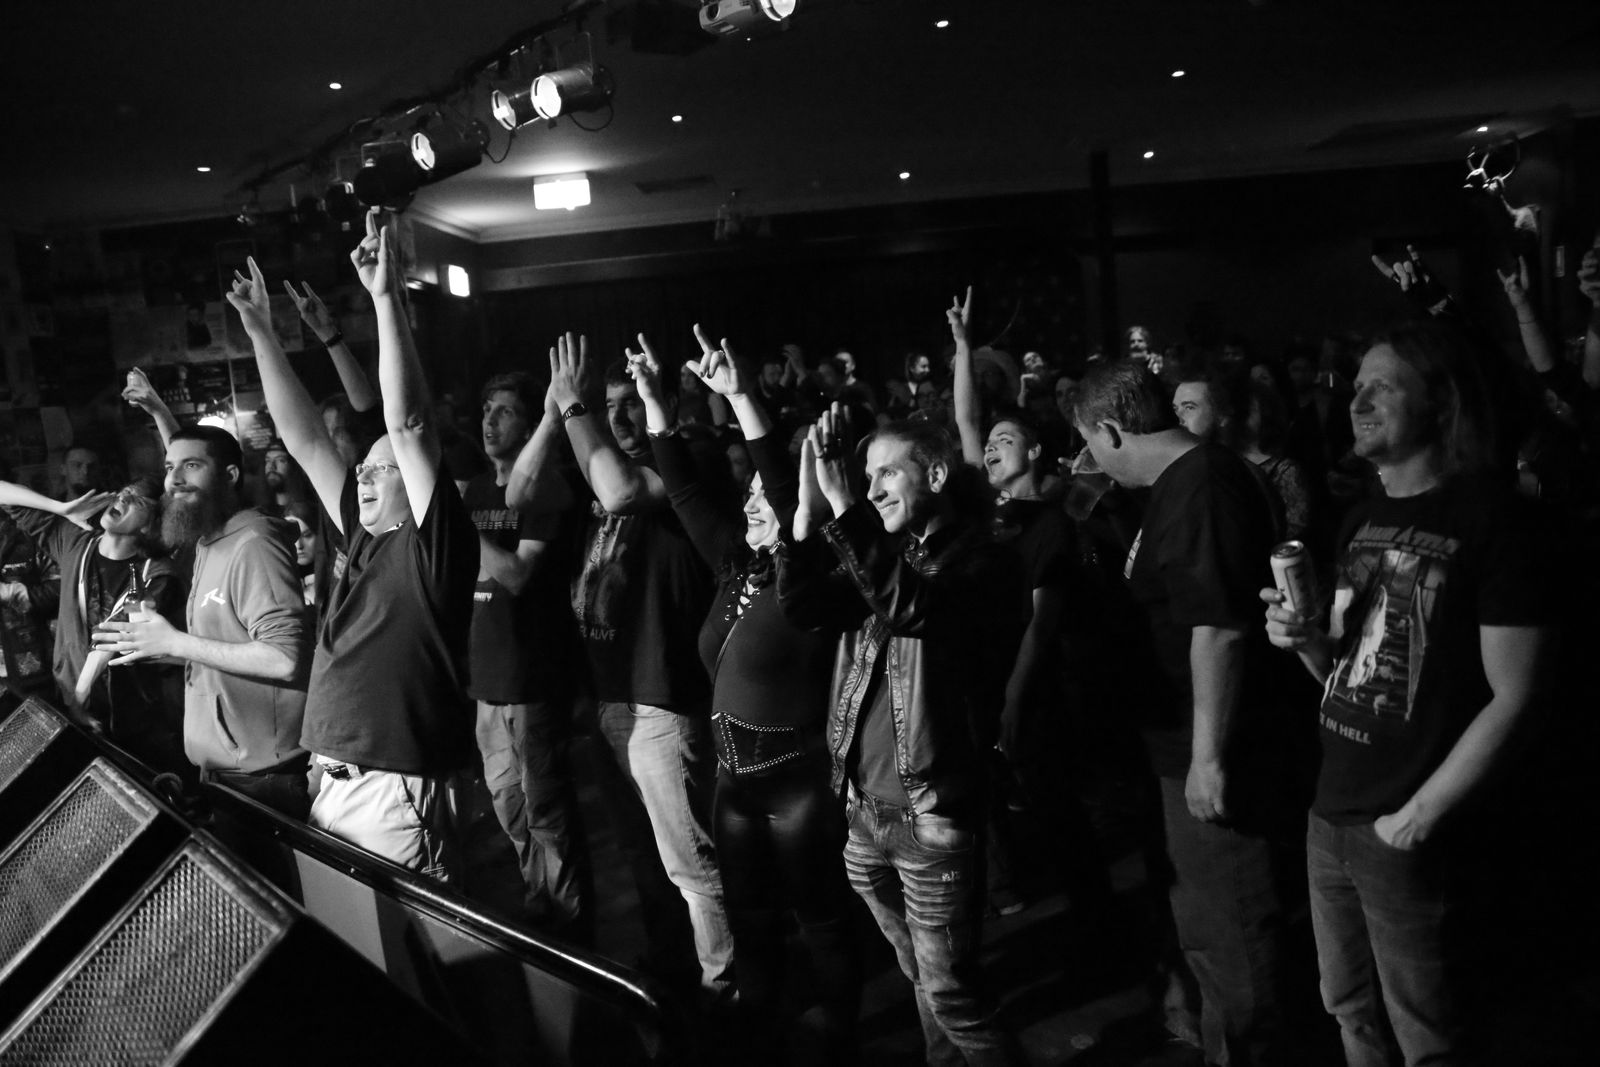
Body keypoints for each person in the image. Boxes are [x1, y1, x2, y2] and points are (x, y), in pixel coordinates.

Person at [1262, 321, 1551, 1065]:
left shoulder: (1491, 518)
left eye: (1382, 386)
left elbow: (1517, 695)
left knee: (1430, 1035)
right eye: (1355, 386)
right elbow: (1344, 671)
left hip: (1409, 823)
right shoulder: (1361, 518)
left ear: (1440, 400)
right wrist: (1303, 640)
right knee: (1349, 1011)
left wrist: (1417, 819)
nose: (1357, 401)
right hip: (1331, 811)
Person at [225, 216, 478, 878]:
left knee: (409, 938)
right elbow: (305, 437)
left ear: (415, 481)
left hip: (394, 784)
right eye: (361, 467)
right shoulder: (362, 533)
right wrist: (260, 331)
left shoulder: (434, 546)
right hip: (334, 776)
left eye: (379, 469)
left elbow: (409, 422)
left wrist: (386, 299)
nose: (361, 476)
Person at [632, 326, 859, 1058]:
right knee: (751, 921)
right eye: (751, 494)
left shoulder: (811, 574)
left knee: (820, 920)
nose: (755, 501)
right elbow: (685, 490)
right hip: (733, 781)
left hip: (797, 783)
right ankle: (757, 1033)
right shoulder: (736, 565)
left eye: (768, 494)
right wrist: (656, 407)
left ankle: (843, 1032)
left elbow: (781, 482)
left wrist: (741, 399)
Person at [780, 411, 1028, 1066]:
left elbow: (913, 607)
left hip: (932, 814)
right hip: (864, 813)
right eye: (865, 477)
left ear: (937, 474)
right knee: (919, 974)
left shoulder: (986, 561)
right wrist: (808, 512)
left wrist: (847, 511)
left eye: (887, 473)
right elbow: (803, 606)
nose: (871, 490)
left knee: (953, 995)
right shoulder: (891, 557)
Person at [1072, 359, 1299, 1066]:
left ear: (1111, 431)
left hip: (1214, 748)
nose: (1092, 458)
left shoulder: (1202, 483)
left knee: (1234, 940)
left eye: (1090, 442)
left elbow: (1218, 626)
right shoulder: (1181, 483)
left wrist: (1207, 757)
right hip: (1178, 744)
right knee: (1207, 931)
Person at [509, 331, 733, 1000]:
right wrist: (553, 416)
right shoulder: (588, 463)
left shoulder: (687, 458)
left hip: (664, 698)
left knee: (693, 864)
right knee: (642, 855)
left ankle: (727, 991)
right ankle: (673, 971)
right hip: (609, 699)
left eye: (631, 401)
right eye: (610, 405)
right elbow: (509, 502)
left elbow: (622, 492)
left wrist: (577, 410)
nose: (622, 416)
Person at [92, 425, 310, 817]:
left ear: (229, 475)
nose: (174, 479)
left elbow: (285, 658)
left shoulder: (254, 544)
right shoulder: (210, 541)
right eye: (169, 467)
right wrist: (158, 647)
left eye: (191, 465)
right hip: (227, 772)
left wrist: (177, 643)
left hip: (264, 777)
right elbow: (230, 644)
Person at [465, 370, 590, 937]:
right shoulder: (475, 490)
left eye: (505, 411)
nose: (490, 421)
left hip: (534, 676)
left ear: (530, 425)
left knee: (546, 811)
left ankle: (572, 931)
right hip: (486, 678)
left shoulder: (546, 489)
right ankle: (540, 910)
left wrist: (464, 533)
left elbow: (516, 574)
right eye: (486, 409)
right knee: (508, 807)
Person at [1, 476, 186, 773]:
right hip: (72, 700)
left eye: (137, 500)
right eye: (124, 491)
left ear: (149, 526)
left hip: (134, 719)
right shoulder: (76, 542)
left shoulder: (156, 573)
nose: (123, 499)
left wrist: (80, 697)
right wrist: (60, 508)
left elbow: (114, 634)